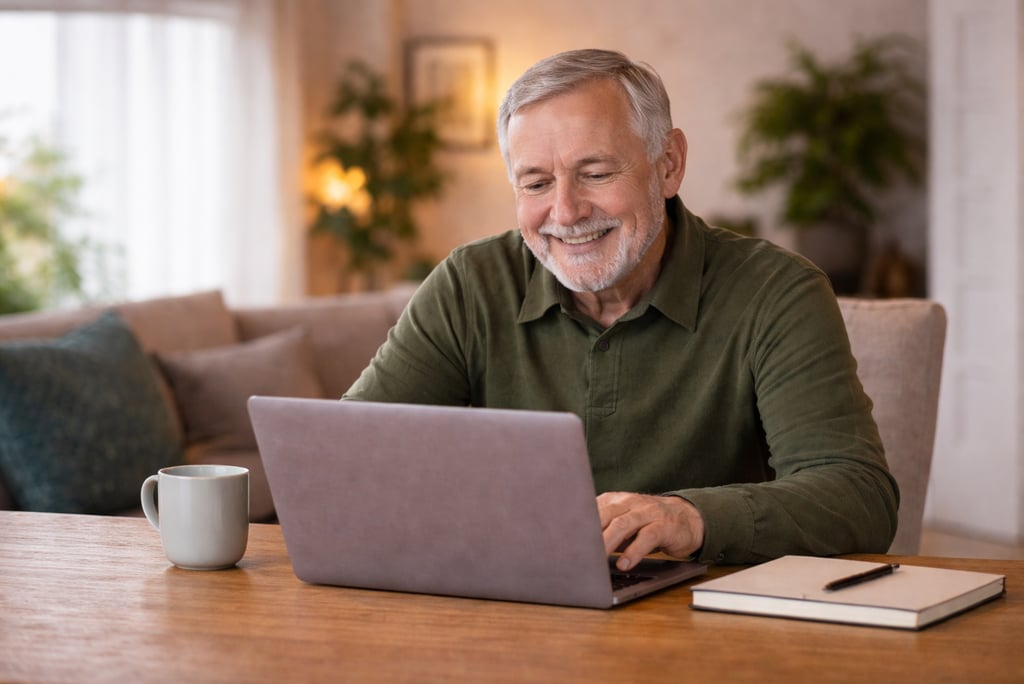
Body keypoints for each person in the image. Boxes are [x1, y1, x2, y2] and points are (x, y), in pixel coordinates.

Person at [343, 48, 898, 568]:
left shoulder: (777, 291)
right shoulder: (470, 283)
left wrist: (693, 517)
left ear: (669, 165)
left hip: (705, 623)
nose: (565, 211)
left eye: (596, 174)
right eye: (536, 183)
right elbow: (348, 455)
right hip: (506, 607)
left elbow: (858, 493)